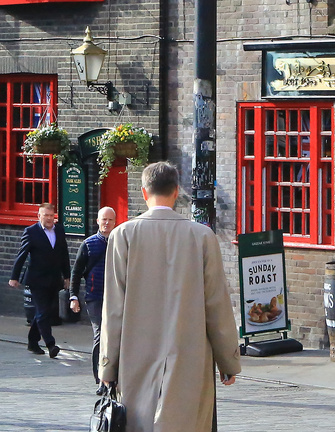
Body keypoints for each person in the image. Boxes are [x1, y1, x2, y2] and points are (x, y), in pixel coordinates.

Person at [100, 162, 240, 432]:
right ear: (177, 192)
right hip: (189, 353)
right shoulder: (202, 236)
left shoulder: (122, 235)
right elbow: (216, 303)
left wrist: (107, 366)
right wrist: (228, 360)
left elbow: (113, 309)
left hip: (135, 356)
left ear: (144, 192)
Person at [9, 202, 70, 357]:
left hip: (54, 278)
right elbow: (21, 255)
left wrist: (67, 276)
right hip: (37, 280)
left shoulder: (60, 230)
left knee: (45, 312)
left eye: (51, 215)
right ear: (39, 216)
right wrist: (14, 277)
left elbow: (64, 255)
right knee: (43, 312)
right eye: (45, 215)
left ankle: (32, 341)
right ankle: (51, 344)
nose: (49, 219)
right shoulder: (31, 232)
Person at [70, 206, 118, 381]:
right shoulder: (88, 244)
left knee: (115, 335)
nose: (107, 223)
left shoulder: (120, 242)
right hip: (94, 296)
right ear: (97, 221)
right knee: (100, 334)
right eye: (103, 219)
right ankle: (99, 377)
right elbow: (76, 272)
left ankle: (112, 374)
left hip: (116, 296)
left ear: (115, 221)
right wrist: (73, 297)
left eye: (110, 219)